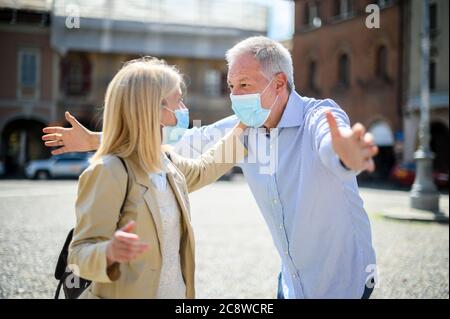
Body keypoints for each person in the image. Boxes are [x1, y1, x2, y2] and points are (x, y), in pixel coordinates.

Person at [43, 37, 379, 299]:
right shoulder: (243, 126)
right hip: (292, 282)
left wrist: (346, 153)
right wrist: (94, 140)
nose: (235, 96)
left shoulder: (318, 116)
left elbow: (332, 142)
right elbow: (180, 140)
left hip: (342, 283)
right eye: (231, 87)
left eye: (244, 85)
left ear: (279, 84)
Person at [67, 57, 246, 299]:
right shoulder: (108, 171)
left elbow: (205, 169)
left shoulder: (167, 161)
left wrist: (244, 127)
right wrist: (108, 252)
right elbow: (78, 256)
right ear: (153, 109)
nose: (184, 109)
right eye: (178, 100)